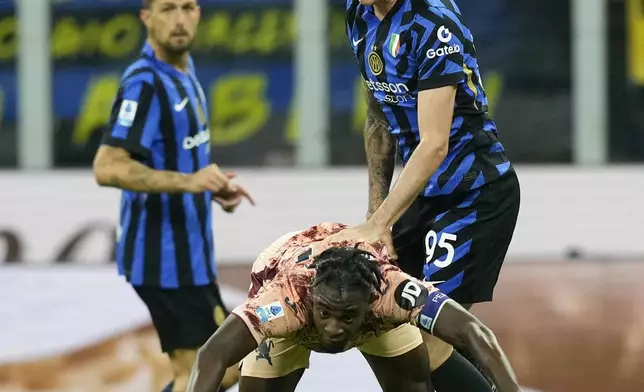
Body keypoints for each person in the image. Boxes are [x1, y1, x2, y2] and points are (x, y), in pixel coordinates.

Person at [327, 0, 521, 387]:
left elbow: (434, 145)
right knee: (379, 321)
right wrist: (375, 222)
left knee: (432, 338)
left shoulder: (432, 24)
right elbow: (379, 118)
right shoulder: (358, 13)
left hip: (472, 196)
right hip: (421, 197)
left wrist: (381, 223)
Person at [92, 1, 253, 391]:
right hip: (163, 257)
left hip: (189, 255)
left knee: (220, 367)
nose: (179, 20)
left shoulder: (185, 71)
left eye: (187, 8)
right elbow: (108, 166)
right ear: (146, 17)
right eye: (167, 9)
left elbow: (179, 156)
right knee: (206, 371)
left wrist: (213, 189)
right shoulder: (144, 82)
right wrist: (189, 183)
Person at [186, 223, 521, 392]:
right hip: (287, 271)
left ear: (370, 302)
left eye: (347, 317)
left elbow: (472, 331)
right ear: (313, 301)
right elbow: (211, 355)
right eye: (326, 314)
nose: (333, 329)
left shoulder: (390, 290)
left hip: (369, 307)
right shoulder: (283, 300)